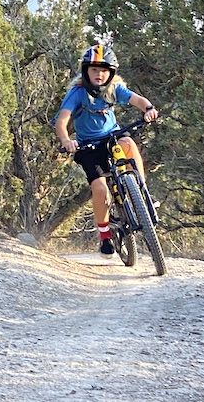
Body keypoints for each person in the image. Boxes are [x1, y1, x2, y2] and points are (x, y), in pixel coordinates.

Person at [54, 44, 158, 257]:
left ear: (111, 72)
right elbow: (62, 120)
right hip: (88, 146)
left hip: (112, 137)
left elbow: (137, 99)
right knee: (100, 189)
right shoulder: (78, 93)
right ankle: (104, 236)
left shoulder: (114, 88)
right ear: (86, 71)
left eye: (104, 70)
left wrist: (148, 109)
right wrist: (66, 140)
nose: (99, 74)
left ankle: (141, 190)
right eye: (94, 69)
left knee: (128, 144)